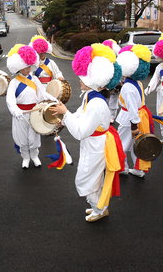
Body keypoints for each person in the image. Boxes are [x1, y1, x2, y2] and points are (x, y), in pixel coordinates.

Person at [50, 43, 125, 222]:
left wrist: (65, 114)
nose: (79, 80)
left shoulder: (96, 103)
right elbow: (79, 115)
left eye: (83, 77)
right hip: (94, 143)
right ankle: (99, 207)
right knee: (93, 178)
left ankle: (99, 209)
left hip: (96, 145)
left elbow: (80, 132)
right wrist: (65, 117)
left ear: (93, 79)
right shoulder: (90, 96)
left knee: (86, 179)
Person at [5, 44, 57, 169]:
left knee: (34, 137)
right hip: (20, 114)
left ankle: (34, 156)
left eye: (29, 66)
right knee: (22, 138)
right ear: (19, 67)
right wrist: (15, 110)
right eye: (25, 67)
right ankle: (26, 158)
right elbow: (10, 99)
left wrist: (53, 99)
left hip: (34, 112)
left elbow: (42, 93)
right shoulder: (14, 82)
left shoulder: (34, 79)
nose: (28, 69)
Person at [114, 44, 154, 178]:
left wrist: (134, 126)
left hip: (129, 119)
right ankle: (138, 169)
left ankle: (122, 168)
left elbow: (131, 108)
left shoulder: (128, 87)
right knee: (136, 144)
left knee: (122, 145)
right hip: (139, 116)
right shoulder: (137, 82)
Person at [102, 39, 121, 123]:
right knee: (104, 98)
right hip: (105, 81)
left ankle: (112, 116)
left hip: (116, 81)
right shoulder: (103, 60)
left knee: (114, 98)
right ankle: (104, 115)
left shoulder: (118, 61)